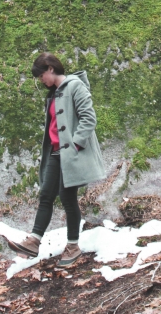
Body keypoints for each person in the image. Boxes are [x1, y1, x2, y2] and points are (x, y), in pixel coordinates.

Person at [7, 53, 106, 267]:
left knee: (67, 197)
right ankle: (34, 241)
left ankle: (73, 246)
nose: (41, 80)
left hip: (69, 153)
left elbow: (89, 118)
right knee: (46, 195)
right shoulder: (54, 93)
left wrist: (75, 144)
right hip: (54, 152)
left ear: (51, 69)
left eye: (42, 75)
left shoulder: (75, 86)